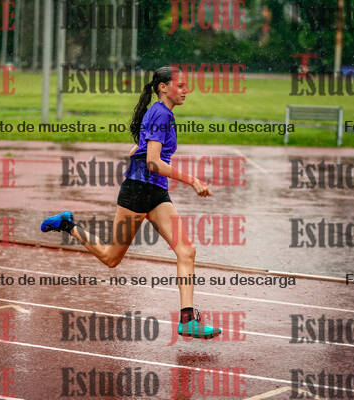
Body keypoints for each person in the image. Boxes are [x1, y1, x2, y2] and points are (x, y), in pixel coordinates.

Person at [41, 66, 222, 339]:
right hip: (137, 192)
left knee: (186, 250)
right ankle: (68, 225)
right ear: (163, 87)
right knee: (111, 258)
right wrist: (192, 180)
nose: (187, 90)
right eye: (181, 85)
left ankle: (187, 320)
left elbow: (146, 150)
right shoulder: (160, 113)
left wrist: (139, 149)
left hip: (156, 193)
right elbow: (153, 162)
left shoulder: (163, 113)